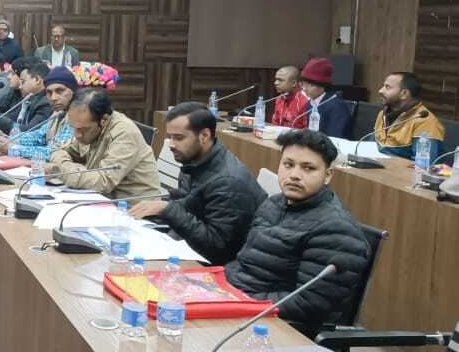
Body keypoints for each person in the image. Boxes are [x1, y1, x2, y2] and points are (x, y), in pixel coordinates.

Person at [225, 129, 371, 333]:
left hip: (278, 326)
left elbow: (307, 304)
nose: (294, 175)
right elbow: (244, 264)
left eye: (308, 168)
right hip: (239, 303)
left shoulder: (337, 230)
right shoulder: (274, 203)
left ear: (328, 175)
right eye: (288, 164)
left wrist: (242, 301)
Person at [130, 102, 265, 265]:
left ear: (204, 136)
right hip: (185, 248)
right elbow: (189, 207)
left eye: (179, 138)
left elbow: (218, 249)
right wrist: (160, 209)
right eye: (170, 137)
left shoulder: (228, 182)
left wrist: (169, 210)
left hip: (217, 266)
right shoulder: (193, 162)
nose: (171, 144)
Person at [48, 89, 161, 198]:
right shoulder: (85, 126)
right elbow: (60, 150)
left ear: (104, 120)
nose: (77, 135)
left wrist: (58, 170)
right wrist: (67, 167)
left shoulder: (125, 133)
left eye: (84, 129)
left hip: (131, 205)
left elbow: (104, 181)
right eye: (73, 127)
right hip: (102, 198)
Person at [0, 66, 77, 159]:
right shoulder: (58, 113)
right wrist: (7, 140)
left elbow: (57, 151)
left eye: (60, 91)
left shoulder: (77, 115)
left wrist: (14, 148)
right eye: (49, 93)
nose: (53, 98)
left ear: (73, 91)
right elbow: (38, 136)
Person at [373, 72, 445, 160]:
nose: (380, 91)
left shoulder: (425, 121)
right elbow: (371, 147)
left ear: (404, 93)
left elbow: (422, 164)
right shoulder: (383, 114)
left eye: (387, 87)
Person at [0, 60, 51, 141]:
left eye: (23, 82)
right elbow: (13, 117)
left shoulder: (45, 103)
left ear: (37, 80)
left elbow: (30, 131)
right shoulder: (31, 98)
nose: (20, 86)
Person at [298, 57, 351, 138]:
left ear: (323, 85)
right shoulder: (310, 104)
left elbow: (334, 136)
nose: (304, 88)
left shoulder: (337, 106)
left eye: (311, 85)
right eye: (304, 84)